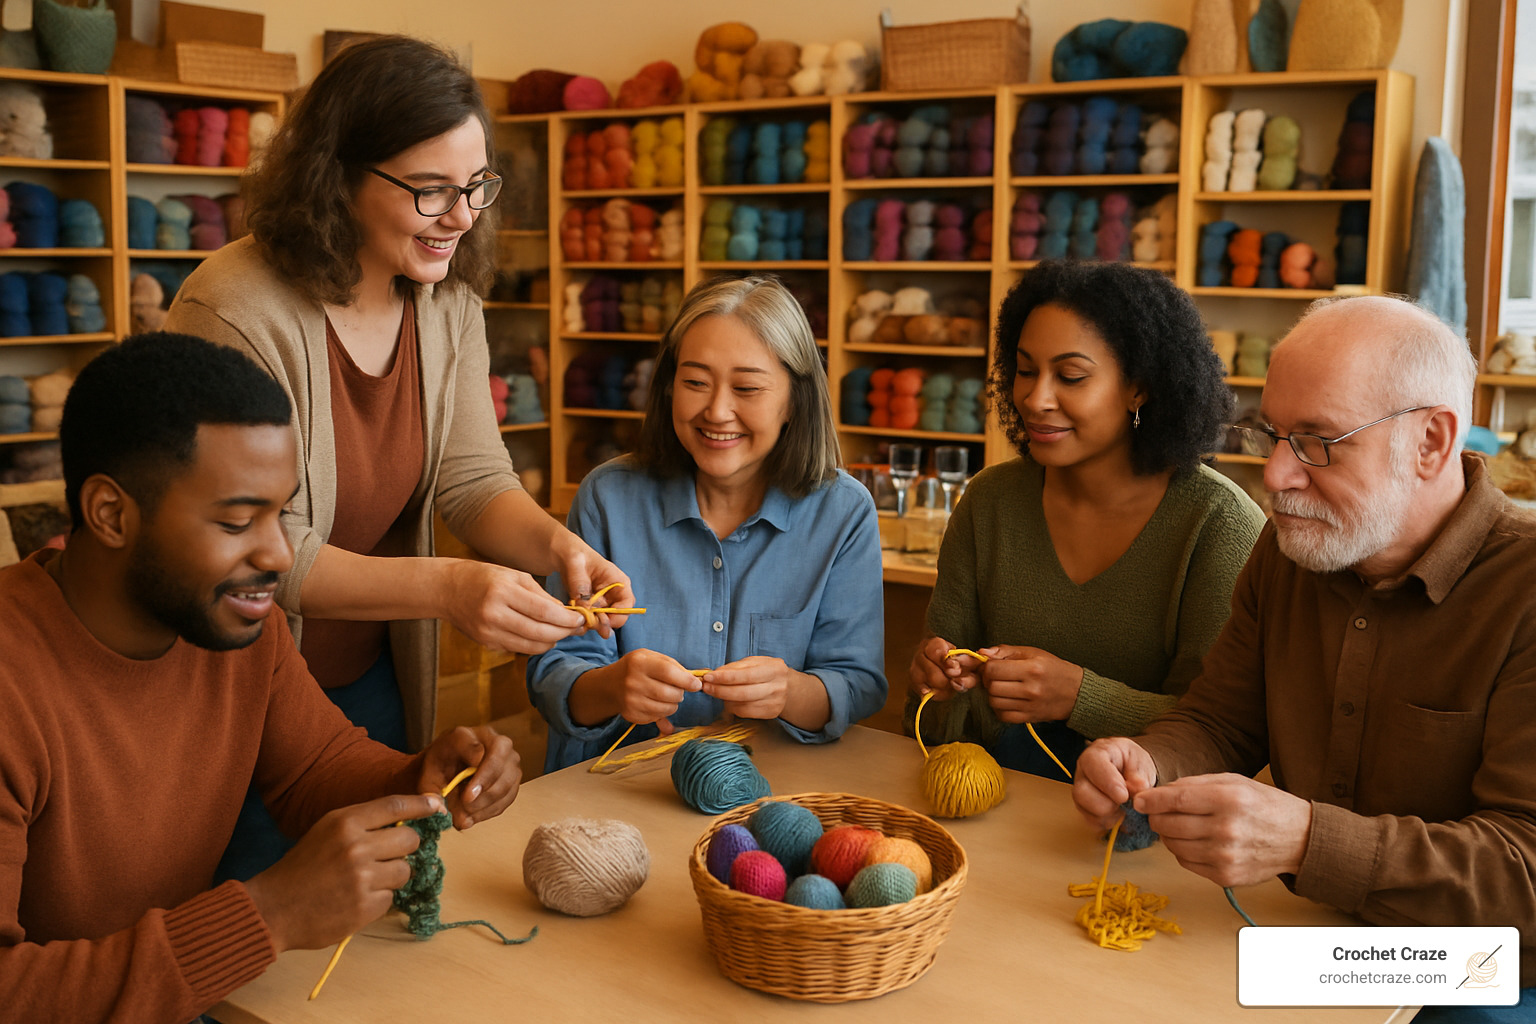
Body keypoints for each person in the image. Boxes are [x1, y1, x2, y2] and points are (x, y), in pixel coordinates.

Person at [163, 37, 626, 877]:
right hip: (230, 691)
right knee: (250, 931)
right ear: (336, 175)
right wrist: (449, 587)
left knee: (377, 924)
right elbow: (254, 555)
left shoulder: (446, 301)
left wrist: (563, 550)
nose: (462, 216)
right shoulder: (233, 309)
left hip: (367, 677)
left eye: (476, 186)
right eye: (431, 191)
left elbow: (473, 478)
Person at [0, 333, 521, 1023]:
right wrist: (267, 916)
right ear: (110, 514)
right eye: (238, 520)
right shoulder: (14, 681)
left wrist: (420, 778)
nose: (278, 554)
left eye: (281, 514)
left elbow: (314, 767)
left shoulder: (236, 627)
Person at [1072, 296, 1536, 1013]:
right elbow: (1223, 720)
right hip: (1312, 921)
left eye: (1318, 442)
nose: (1277, 477)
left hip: (1484, 958)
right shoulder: (1294, 547)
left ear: (1432, 443)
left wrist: (1307, 842)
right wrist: (1151, 761)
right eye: (1271, 435)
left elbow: (1524, 874)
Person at [907, 261, 1266, 778]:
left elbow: (1225, 734)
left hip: (1144, 833)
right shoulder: (988, 503)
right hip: (998, 806)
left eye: (1070, 376)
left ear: (1139, 389)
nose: (1035, 398)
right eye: (1025, 370)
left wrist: (1079, 697)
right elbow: (933, 720)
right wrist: (936, 681)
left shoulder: (1219, 526)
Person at [526, 276, 887, 772]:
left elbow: (858, 683)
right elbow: (552, 677)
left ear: (794, 400)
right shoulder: (607, 497)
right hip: (609, 790)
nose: (717, 411)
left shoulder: (843, 512)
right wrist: (614, 686)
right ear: (669, 384)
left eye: (747, 388)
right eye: (695, 382)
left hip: (766, 792)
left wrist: (790, 691)